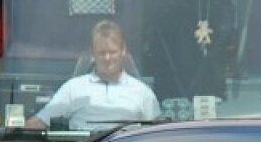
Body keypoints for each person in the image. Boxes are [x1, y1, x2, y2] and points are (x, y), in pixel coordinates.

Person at [24, 21, 160, 131]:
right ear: (92, 53)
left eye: (112, 52)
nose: (107, 58)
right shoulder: (72, 88)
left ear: (123, 50)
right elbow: (40, 121)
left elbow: (159, 134)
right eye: (101, 53)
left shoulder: (143, 93)